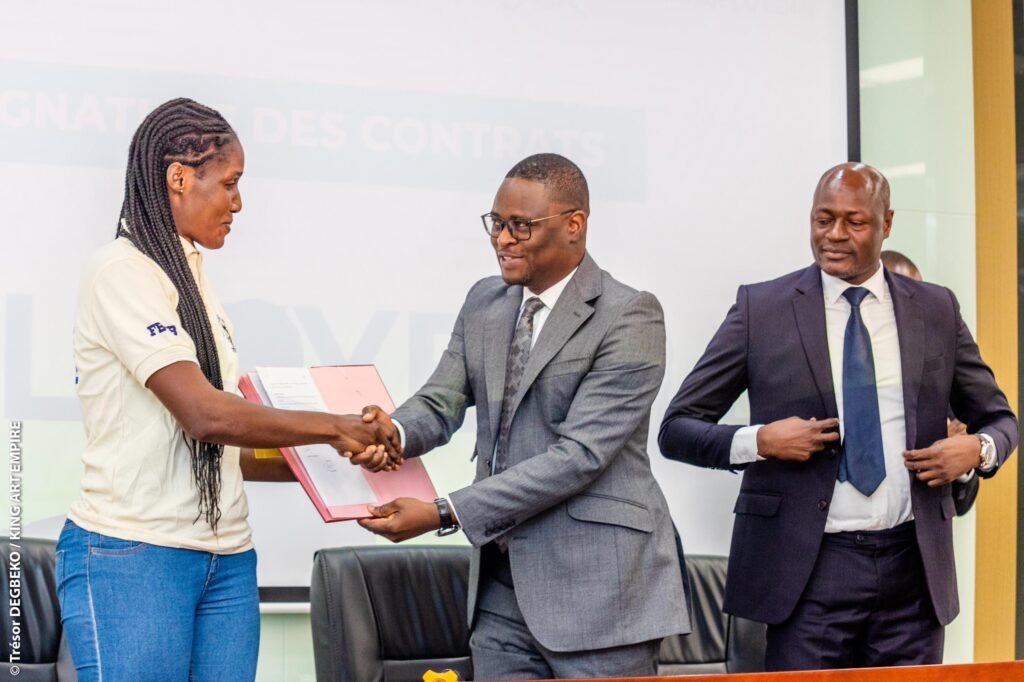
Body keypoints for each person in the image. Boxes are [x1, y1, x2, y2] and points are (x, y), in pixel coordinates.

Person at [57, 98, 400, 682]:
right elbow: (204, 415)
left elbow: (221, 447)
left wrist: (338, 458)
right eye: (230, 183)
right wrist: (334, 426)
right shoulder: (121, 271)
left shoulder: (192, 276)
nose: (238, 203)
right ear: (179, 178)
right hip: (136, 554)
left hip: (227, 559)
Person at [658, 162, 1017, 671]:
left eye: (855, 222)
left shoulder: (936, 308)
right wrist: (760, 441)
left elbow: (1001, 420)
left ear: (886, 223)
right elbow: (677, 429)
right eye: (823, 219)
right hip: (805, 573)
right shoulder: (762, 309)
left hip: (914, 572)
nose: (834, 235)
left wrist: (977, 451)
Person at [357, 153, 689, 680]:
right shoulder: (485, 302)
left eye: (520, 226)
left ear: (574, 225)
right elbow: (442, 399)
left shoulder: (629, 314)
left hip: (600, 593)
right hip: (500, 591)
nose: (502, 239)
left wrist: (445, 512)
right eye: (496, 223)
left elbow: (579, 457)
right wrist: (389, 431)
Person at [880, 249, 979, 515]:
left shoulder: (940, 388)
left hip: (917, 536)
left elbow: (962, 503)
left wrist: (958, 460)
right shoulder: (832, 377)